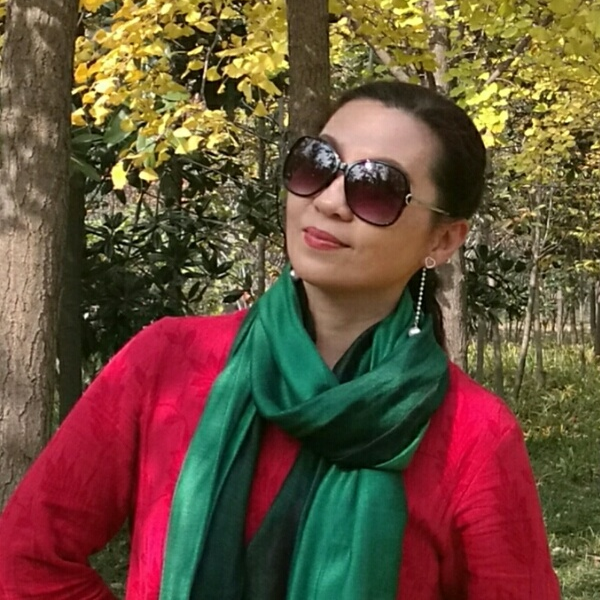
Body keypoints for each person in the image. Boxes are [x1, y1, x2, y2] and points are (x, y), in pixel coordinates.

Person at [0, 80, 560, 600]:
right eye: (319, 164)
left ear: (443, 239)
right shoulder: (168, 363)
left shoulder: (471, 433)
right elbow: (25, 556)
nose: (330, 200)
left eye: (377, 188)